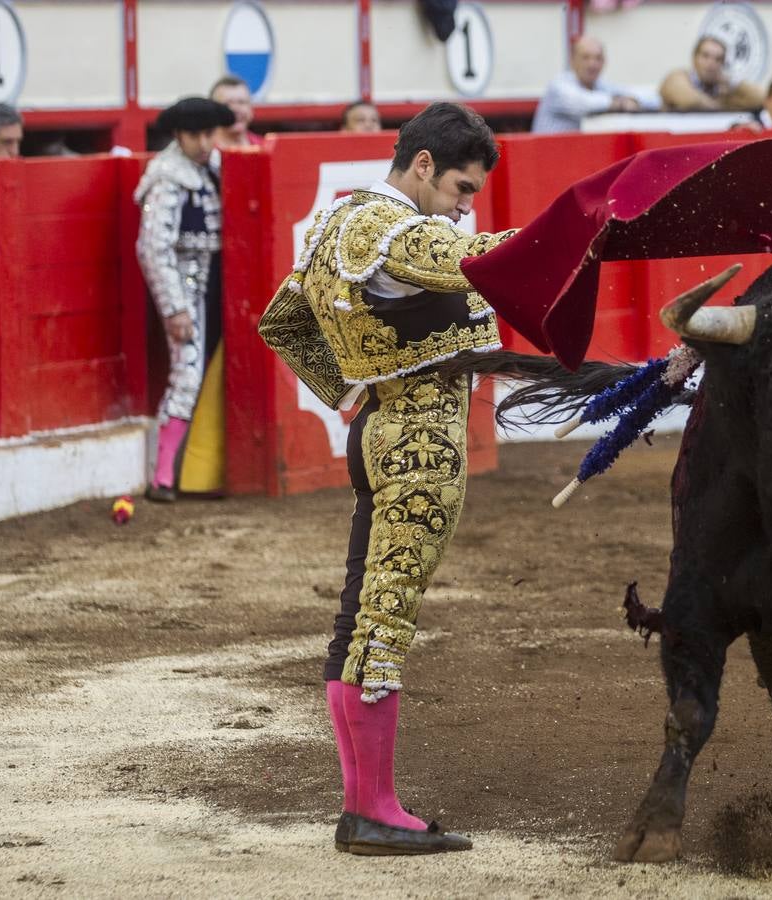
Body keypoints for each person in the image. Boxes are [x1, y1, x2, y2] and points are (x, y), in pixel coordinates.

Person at [258, 102, 519, 856]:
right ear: (425, 165)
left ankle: (365, 804)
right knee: (385, 621)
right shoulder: (395, 228)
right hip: (419, 444)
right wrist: (573, 238)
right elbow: (468, 261)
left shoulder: (338, 225)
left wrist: (351, 390)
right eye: (463, 189)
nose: (466, 207)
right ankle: (372, 809)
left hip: (381, 428)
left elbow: (284, 320)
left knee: (361, 619)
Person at [134, 98, 235, 502]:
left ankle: (200, 471)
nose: (205, 142)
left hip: (216, 285)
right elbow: (153, 248)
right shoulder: (169, 177)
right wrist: (174, 307)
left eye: (210, 133)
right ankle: (163, 478)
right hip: (188, 285)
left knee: (209, 367)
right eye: (195, 135)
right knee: (188, 372)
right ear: (178, 134)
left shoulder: (211, 167)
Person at [532, 35, 655, 134]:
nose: (592, 64)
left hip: (572, 155)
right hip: (545, 158)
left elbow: (643, 95)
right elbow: (584, 102)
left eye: (598, 58)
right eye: (585, 58)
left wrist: (633, 100)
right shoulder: (559, 85)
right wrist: (620, 103)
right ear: (572, 60)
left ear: (604, 62)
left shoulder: (601, 86)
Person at [659, 34, 764, 112]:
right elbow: (690, 101)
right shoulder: (677, 77)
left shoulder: (724, 86)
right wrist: (723, 105)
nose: (711, 63)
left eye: (718, 59)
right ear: (694, 58)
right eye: (705, 56)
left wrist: (731, 82)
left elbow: (762, 98)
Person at [209, 75, 264, 147]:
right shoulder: (205, 153)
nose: (235, 109)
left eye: (241, 102)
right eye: (227, 104)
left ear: (251, 109)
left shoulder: (264, 147)